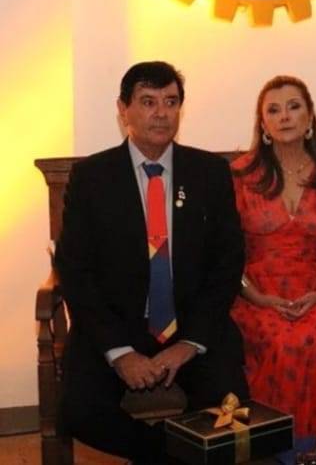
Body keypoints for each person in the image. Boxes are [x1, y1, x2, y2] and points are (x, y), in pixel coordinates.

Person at [55, 61, 247, 464]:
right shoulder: (92, 177)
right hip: (116, 324)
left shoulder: (209, 172)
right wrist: (120, 352)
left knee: (229, 404)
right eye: (148, 102)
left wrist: (190, 344)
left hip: (191, 324)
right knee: (79, 410)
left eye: (171, 102)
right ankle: (163, 455)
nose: (161, 113)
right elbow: (74, 270)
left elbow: (227, 263)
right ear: (123, 109)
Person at [230, 75, 316, 437]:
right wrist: (258, 297)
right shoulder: (239, 174)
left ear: (309, 118)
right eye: (273, 110)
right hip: (256, 296)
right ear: (263, 125)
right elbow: (225, 251)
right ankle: (276, 450)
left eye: (293, 107)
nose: (285, 116)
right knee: (283, 342)